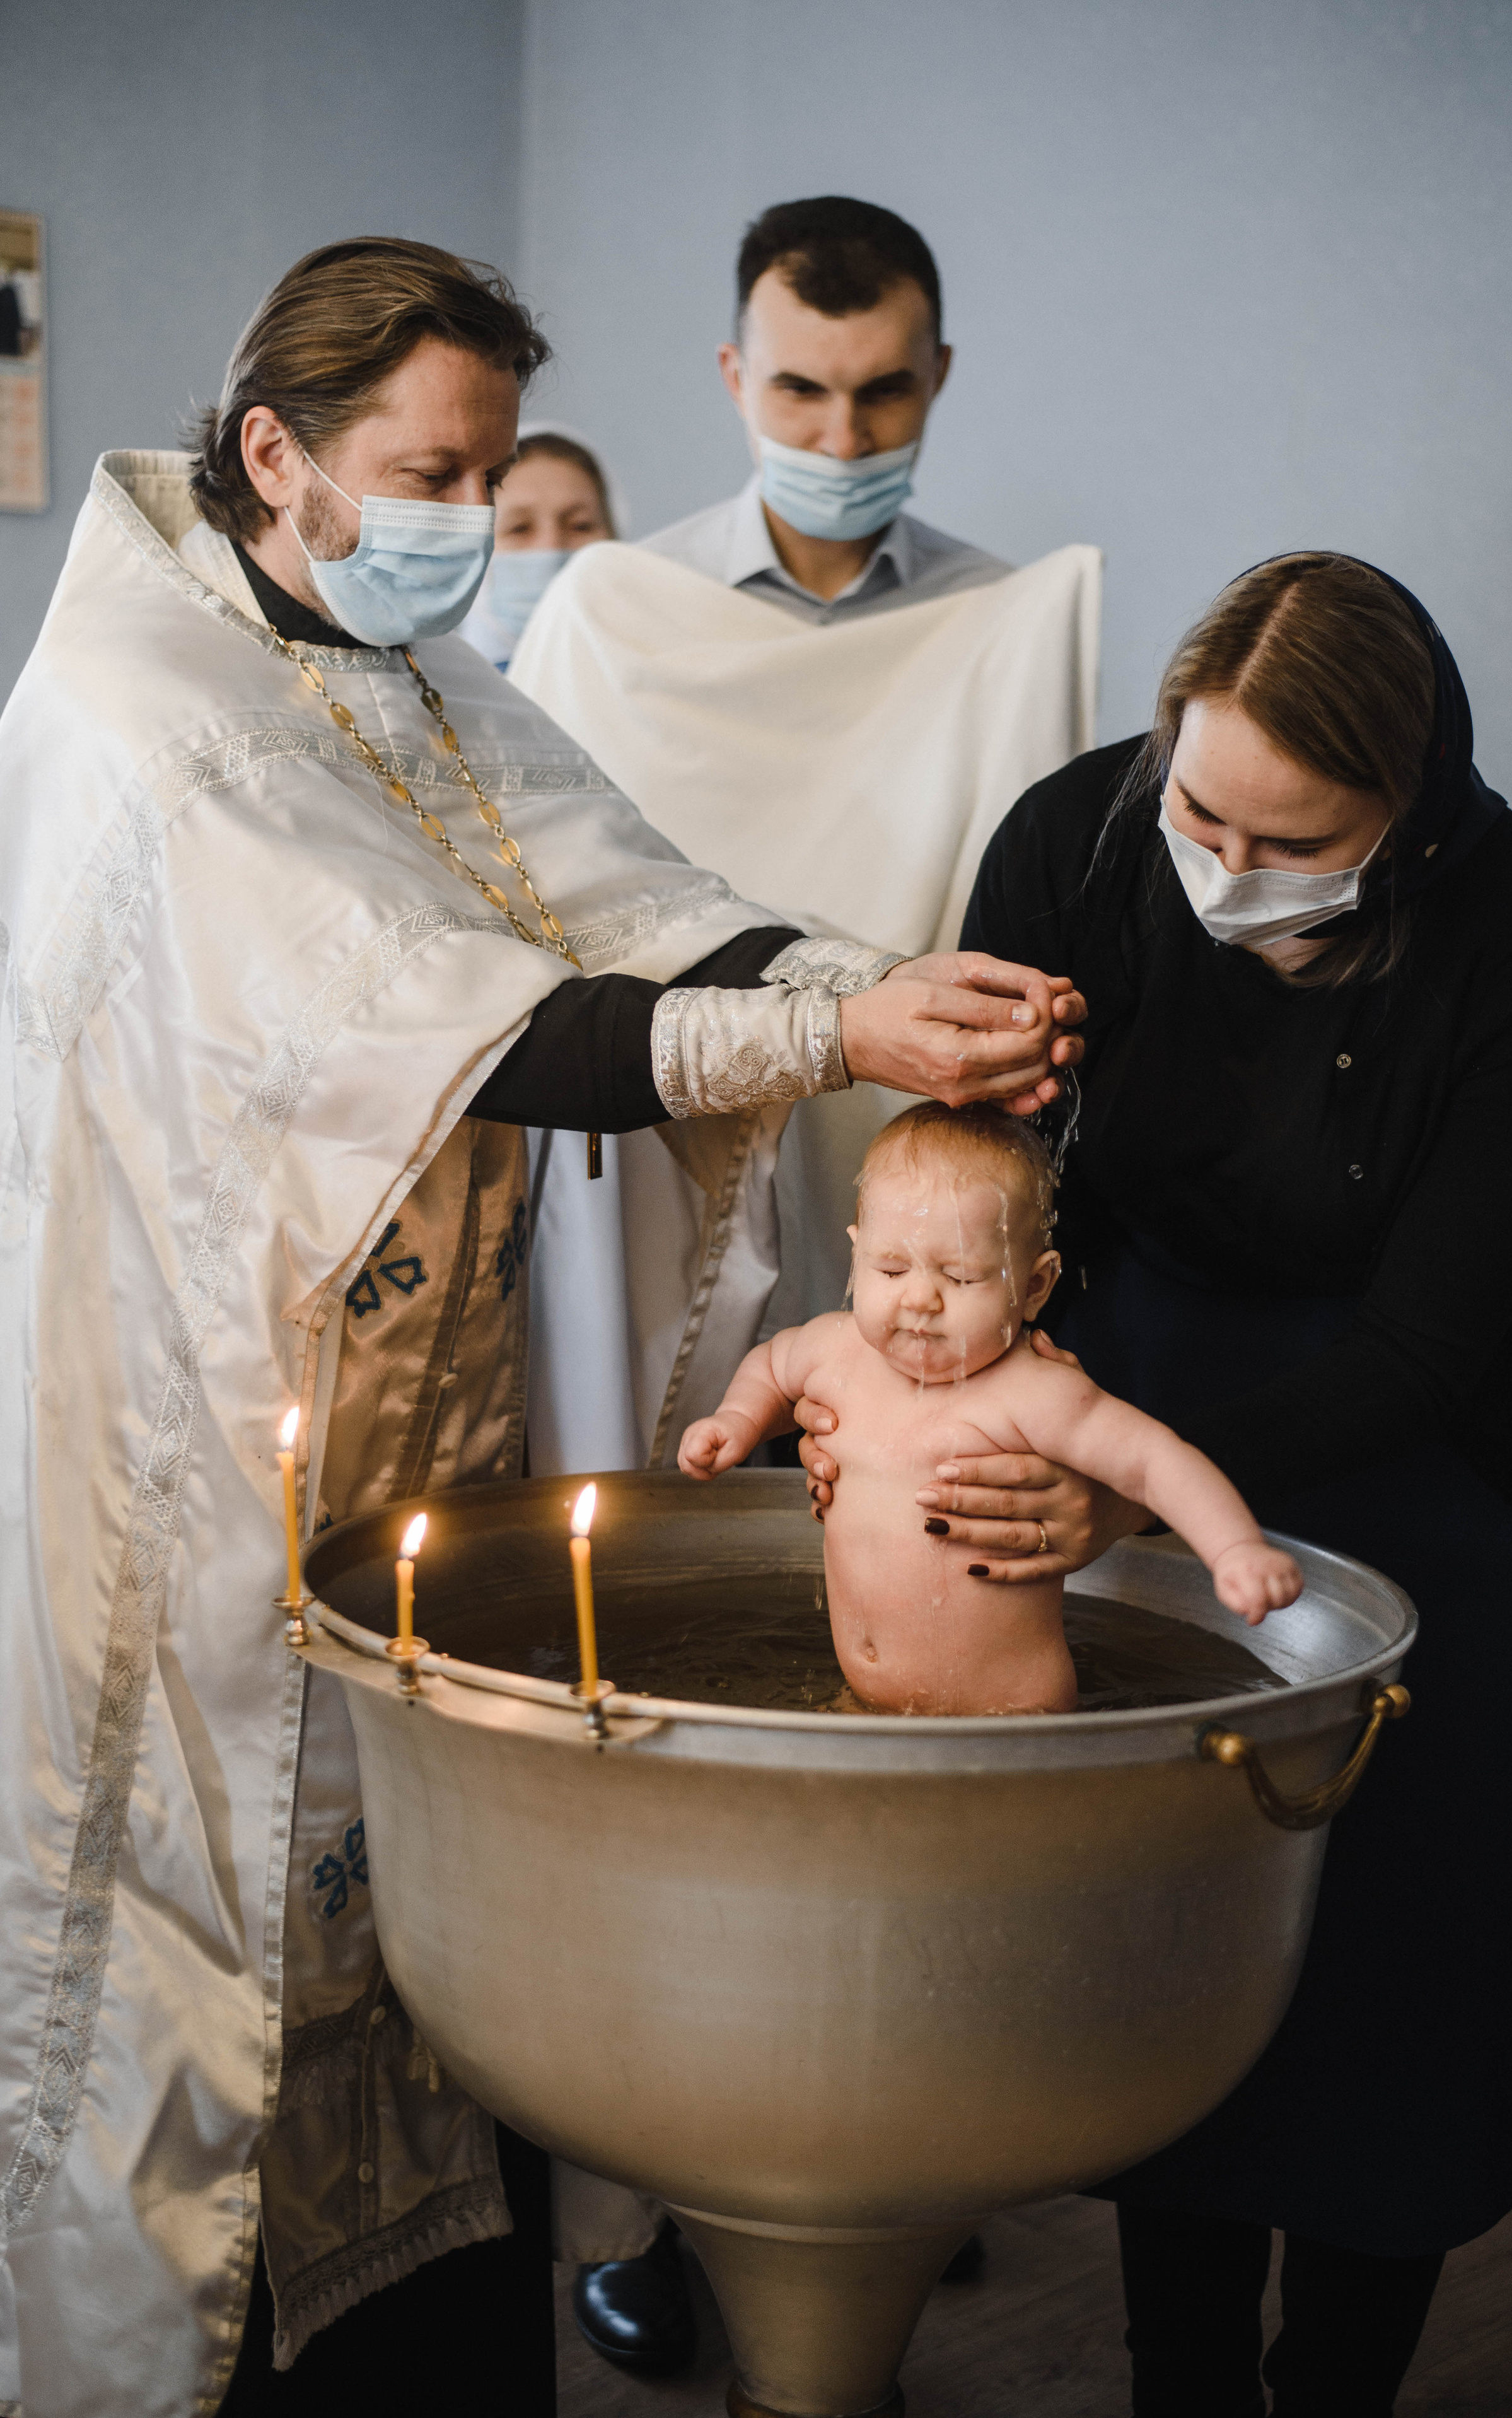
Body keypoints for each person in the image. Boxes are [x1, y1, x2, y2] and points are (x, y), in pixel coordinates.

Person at [0, 235, 1083, 2418]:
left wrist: (880, 985)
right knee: (217, 1966)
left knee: (431, 1939)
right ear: (274, 449)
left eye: (488, 477)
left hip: (415, 1418)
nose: (463, 524)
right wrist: (825, 1024)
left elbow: (626, 896)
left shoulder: (390, 656)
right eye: (428, 471)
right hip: (204, 1446)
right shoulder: (146, 712)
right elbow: (470, 1023)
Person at [804, 552, 1512, 2414]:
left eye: (1292, 840)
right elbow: (995, 1190)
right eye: (1198, 811)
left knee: (1383, 1971)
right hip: (1145, 1387)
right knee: (1172, 1928)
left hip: (1449, 1453)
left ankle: (1335, 2379)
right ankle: (1181, 2376)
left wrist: (1152, 1494)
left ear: (1407, 823)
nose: (1227, 872)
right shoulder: (1075, 845)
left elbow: (1421, 1351)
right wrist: (927, 1365)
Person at [507, 194, 1102, 1486]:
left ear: (938, 375)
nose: (840, 438)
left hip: (917, 1171)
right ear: (733, 376)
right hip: (659, 1154)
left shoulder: (1010, 630)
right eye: (798, 393)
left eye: (884, 392)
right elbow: (549, 915)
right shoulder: (612, 616)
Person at [680, 1103, 1300, 1714]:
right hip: (864, 1705)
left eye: (962, 1277)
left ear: (1034, 1287)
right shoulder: (833, 1350)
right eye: (891, 1268)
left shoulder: (1033, 1393)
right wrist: (736, 1420)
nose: (920, 1298)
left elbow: (1153, 1461)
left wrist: (1233, 1549)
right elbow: (770, 1365)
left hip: (1008, 1719)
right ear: (856, 1253)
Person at [460, 421, 619, 672]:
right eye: (519, 528)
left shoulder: (660, 684)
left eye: (580, 526)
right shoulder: (439, 700)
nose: (552, 547)